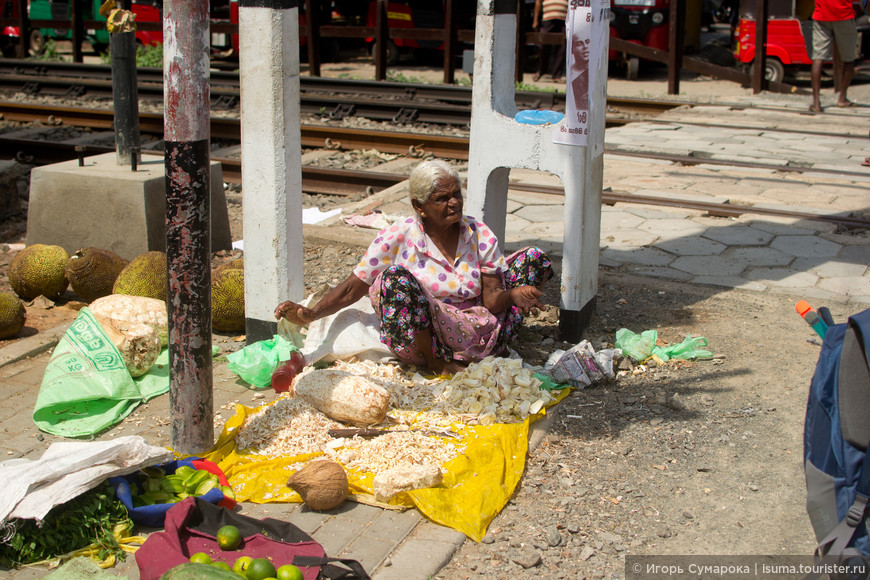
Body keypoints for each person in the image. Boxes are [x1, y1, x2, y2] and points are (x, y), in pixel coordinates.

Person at [274, 160, 554, 375]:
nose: (454, 202)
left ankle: (485, 350)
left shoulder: (478, 232)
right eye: (442, 198)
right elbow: (352, 288)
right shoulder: (398, 235)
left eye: (456, 194)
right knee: (393, 279)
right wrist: (310, 315)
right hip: (426, 338)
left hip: (479, 328)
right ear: (419, 206)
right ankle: (436, 363)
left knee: (534, 258)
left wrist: (514, 295)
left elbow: (493, 300)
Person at [810, 0, 858, 112]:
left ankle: (816, 103)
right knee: (849, 58)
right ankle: (842, 98)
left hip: (821, 15)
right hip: (844, 15)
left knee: (818, 58)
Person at [532, 0, 568, 82]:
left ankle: (556, 76)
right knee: (543, 46)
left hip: (563, 19)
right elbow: (538, 2)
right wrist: (535, 20)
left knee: (562, 48)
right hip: (547, 19)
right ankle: (540, 71)